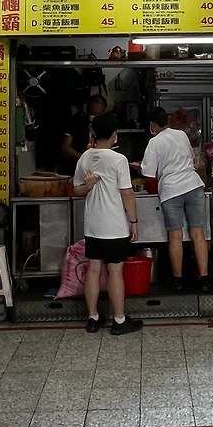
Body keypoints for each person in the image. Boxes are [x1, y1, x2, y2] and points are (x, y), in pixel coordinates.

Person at [71, 114, 143, 336]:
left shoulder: (84, 157)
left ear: (93, 133)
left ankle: (93, 318)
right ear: (114, 135)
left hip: (93, 224)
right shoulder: (118, 159)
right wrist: (134, 222)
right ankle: (119, 320)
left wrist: (89, 186)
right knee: (115, 272)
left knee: (93, 269)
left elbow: (76, 189)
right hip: (114, 225)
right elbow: (127, 193)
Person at [141, 109, 210, 291]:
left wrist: (138, 166)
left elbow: (148, 172)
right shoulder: (181, 135)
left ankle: (178, 281)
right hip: (193, 185)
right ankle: (204, 280)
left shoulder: (154, 142)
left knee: (175, 236)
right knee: (199, 234)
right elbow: (190, 158)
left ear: (152, 125)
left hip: (171, 190)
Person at [61, 93, 108, 167]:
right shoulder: (75, 123)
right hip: (77, 165)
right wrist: (83, 157)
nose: (96, 117)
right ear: (88, 111)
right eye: (93, 113)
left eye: (99, 114)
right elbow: (66, 148)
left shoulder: (108, 126)